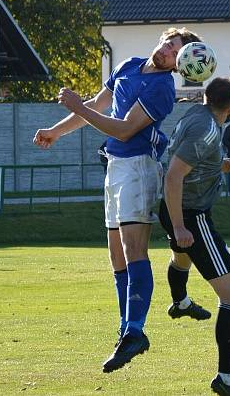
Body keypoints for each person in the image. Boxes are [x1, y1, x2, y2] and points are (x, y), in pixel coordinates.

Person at [33, 27, 205, 373]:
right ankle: (128, 328)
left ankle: (135, 331)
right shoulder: (128, 64)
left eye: (176, 52)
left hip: (139, 168)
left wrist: (78, 105)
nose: (169, 51)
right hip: (115, 167)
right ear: (161, 40)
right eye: (169, 43)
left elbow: (125, 129)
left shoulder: (162, 89)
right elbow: (97, 106)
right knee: (116, 256)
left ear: (180, 65)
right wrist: (56, 130)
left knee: (133, 251)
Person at [159, 77, 230, 395]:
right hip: (191, 216)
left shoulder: (196, 114)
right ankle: (226, 380)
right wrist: (180, 225)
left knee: (181, 258)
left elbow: (190, 158)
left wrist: (220, 164)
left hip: (178, 211)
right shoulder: (207, 128)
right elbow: (174, 176)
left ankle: (180, 302)